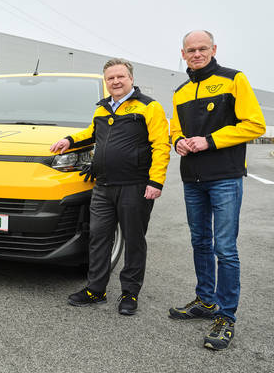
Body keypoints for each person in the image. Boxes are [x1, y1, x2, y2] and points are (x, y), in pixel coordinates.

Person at [169, 30, 265, 350]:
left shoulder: (234, 79)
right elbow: (175, 129)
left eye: (202, 48)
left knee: (225, 248)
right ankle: (205, 301)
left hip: (225, 176)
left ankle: (226, 316)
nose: (197, 54)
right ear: (183, 54)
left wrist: (209, 141)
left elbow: (254, 124)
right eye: (191, 50)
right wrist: (177, 141)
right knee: (200, 242)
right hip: (192, 178)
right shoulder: (180, 92)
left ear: (213, 49)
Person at [50, 58, 170, 315]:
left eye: (120, 77)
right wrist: (69, 140)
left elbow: (161, 146)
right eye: (110, 78)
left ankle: (130, 293)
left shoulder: (149, 107)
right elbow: (92, 133)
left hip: (135, 186)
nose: (115, 81)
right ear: (106, 82)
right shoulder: (102, 109)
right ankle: (96, 290)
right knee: (99, 238)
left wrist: (156, 181)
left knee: (134, 241)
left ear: (131, 79)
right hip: (103, 186)